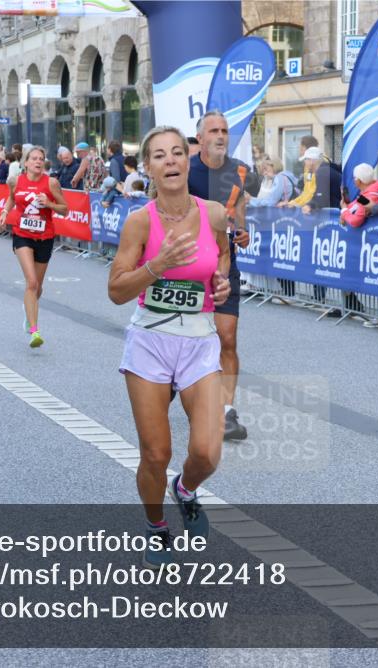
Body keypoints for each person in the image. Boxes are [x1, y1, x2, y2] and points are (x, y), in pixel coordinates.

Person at [107, 126, 231, 570]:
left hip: (198, 341)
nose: (171, 161)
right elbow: (117, 291)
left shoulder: (214, 213)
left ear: (187, 161)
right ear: (149, 168)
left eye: (178, 152)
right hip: (151, 341)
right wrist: (156, 267)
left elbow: (222, 255)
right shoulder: (140, 221)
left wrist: (221, 281)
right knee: (155, 453)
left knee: (207, 451)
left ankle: (185, 490)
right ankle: (156, 524)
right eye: (159, 156)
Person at [187, 111, 260, 441]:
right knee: (192, 339)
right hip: (187, 265)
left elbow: (239, 212)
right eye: (213, 131)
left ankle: (227, 411)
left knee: (227, 337)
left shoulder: (239, 172)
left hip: (224, 264)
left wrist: (243, 232)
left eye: (224, 131)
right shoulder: (185, 170)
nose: (220, 136)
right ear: (200, 138)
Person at [0, 146, 69, 348]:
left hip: (45, 237)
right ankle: (34, 330)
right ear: (26, 162)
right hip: (22, 235)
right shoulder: (15, 181)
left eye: (41, 159)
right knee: (31, 283)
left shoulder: (52, 183)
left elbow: (65, 210)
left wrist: (50, 204)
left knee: (38, 286)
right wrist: (4, 212)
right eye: (34, 158)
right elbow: (12, 197)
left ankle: (29, 311)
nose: (38, 162)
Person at [340, 163, 378, 228]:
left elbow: (355, 221)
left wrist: (344, 210)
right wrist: (345, 211)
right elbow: (355, 206)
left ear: (358, 181)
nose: (353, 180)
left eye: (354, 178)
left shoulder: (365, 198)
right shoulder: (376, 189)